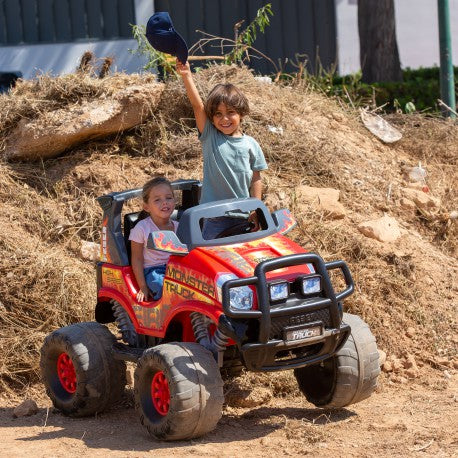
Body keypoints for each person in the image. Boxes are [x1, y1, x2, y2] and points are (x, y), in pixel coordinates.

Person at [176, 59, 268, 239]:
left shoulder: (251, 144)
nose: (224, 119)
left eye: (230, 112)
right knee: (212, 254)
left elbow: (256, 179)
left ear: (241, 113)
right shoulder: (210, 136)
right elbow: (197, 106)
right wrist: (187, 75)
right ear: (211, 117)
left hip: (243, 216)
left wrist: (256, 209)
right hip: (214, 217)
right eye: (218, 114)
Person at [129, 177, 178, 302]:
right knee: (164, 288)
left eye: (168, 198)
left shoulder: (180, 227)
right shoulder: (141, 228)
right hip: (153, 270)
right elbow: (137, 259)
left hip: (176, 268)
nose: (164, 202)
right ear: (146, 207)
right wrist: (142, 287)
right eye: (157, 200)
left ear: (174, 201)